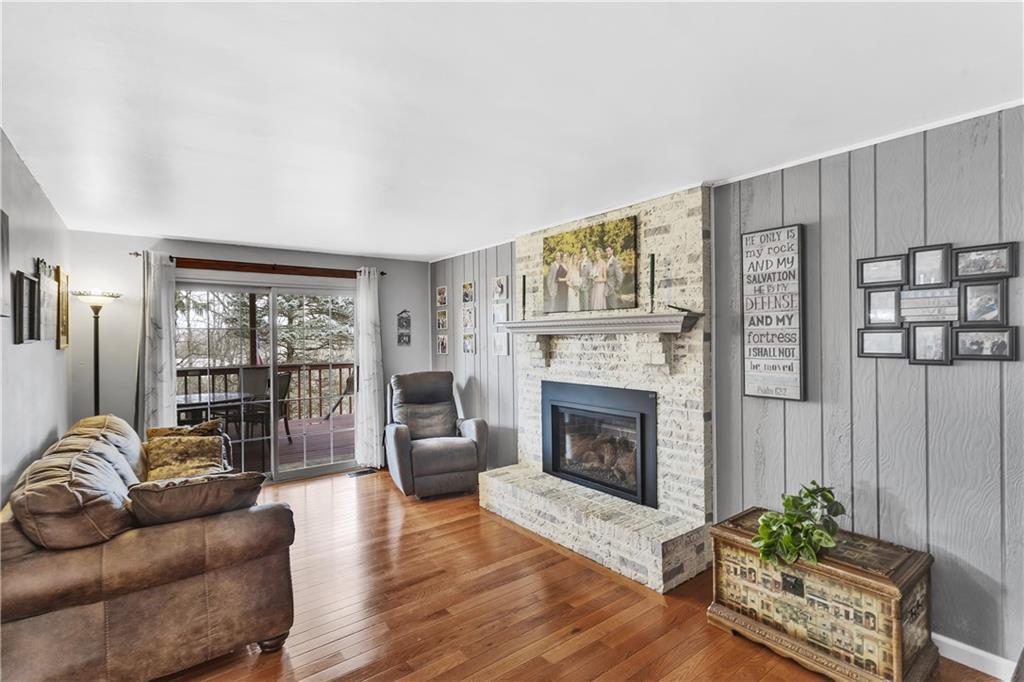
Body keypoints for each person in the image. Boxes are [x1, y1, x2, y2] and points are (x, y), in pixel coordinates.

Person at [578, 247, 593, 311]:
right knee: (581, 303)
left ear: (586, 252)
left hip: (586, 286)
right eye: (582, 252)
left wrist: (588, 286)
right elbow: (579, 273)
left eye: (584, 251)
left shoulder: (589, 262)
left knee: (586, 304)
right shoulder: (580, 262)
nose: (583, 253)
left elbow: (591, 275)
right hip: (580, 285)